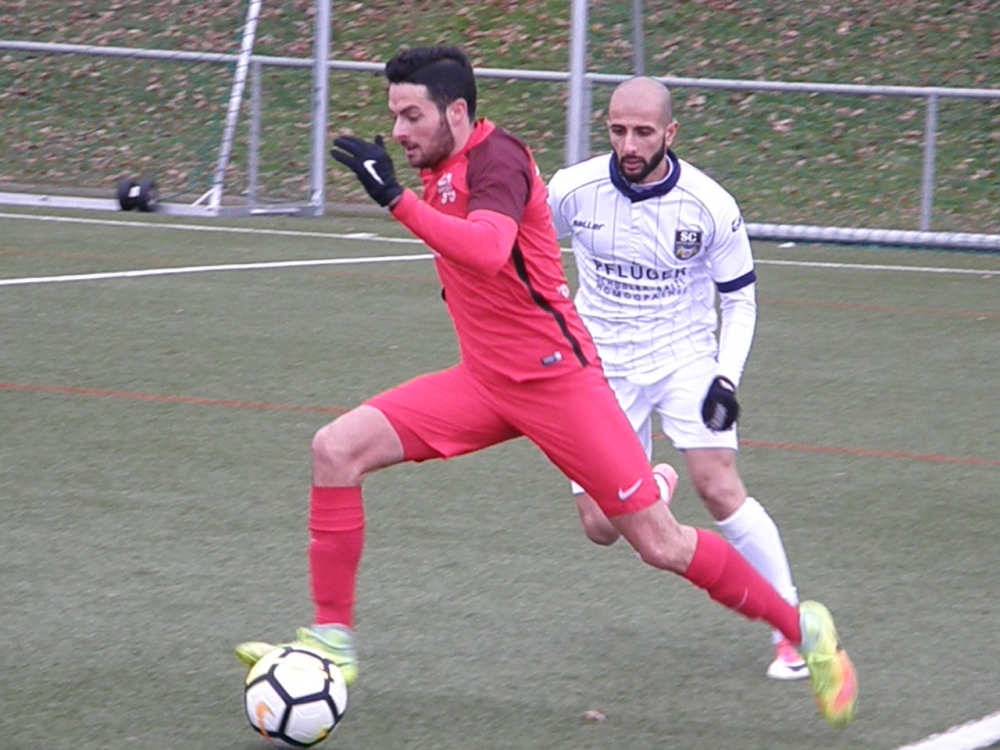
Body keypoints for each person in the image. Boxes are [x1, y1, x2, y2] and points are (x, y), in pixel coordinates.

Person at [235, 46, 857, 729]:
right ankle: (333, 641)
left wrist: (394, 199)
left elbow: (487, 249)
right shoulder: (443, 167)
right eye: (395, 116)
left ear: (456, 112)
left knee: (660, 545)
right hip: (484, 382)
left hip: (559, 384)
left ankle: (805, 631)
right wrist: (418, 210)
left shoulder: (498, 159)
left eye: (412, 116)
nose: (400, 130)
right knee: (335, 449)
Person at [546, 76, 806, 682]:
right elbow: (520, 246)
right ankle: (652, 484)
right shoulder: (571, 190)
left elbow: (739, 300)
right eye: (618, 131)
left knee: (718, 487)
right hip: (599, 367)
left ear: (670, 132)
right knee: (600, 529)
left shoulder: (710, 204)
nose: (629, 145)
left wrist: (726, 380)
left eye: (643, 132)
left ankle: (790, 627)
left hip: (684, 357)